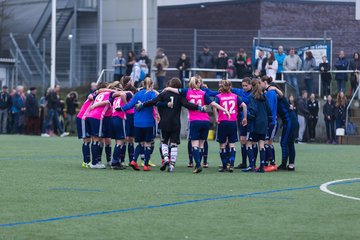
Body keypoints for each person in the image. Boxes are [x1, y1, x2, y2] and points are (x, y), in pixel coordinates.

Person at [164, 76, 230, 173]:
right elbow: (213, 104)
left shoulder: (187, 91)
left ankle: (198, 165)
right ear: (198, 84)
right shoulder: (203, 93)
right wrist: (224, 110)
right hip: (205, 121)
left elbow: (175, 90)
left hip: (194, 121)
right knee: (201, 144)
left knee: (194, 144)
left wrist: (167, 88)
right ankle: (201, 162)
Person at [137, 77, 202, 172]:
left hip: (165, 122)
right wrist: (200, 107)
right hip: (175, 123)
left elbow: (154, 101)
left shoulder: (164, 93)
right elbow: (188, 104)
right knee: (174, 144)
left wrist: (142, 105)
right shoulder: (180, 96)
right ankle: (171, 166)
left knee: (164, 142)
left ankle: (166, 158)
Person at [119, 77, 158, 171]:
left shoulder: (137, 94)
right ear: (152, 85)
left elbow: (129, 105)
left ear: (143, 85)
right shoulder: (152, 94)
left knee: (140, 143)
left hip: (137, 123)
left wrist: (120, 109)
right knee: (148, 143)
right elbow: (155, 102)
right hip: (148, 122)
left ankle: (133, 160)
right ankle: (145, 165)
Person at [213, 79, 247, 172]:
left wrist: (216, 118)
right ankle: (231, 164)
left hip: (222, 122)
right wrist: (245, 118)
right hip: (232, 122)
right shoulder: (235, 96)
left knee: (222, 145)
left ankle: (224, 165)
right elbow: (244, 106)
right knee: (232, 144)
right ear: (230, 87)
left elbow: (214, 106)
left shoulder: (218, 97)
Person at [242, 80, 273, 173]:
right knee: (261, 144)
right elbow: (269, 110)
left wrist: (247, 119)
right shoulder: (264, 97)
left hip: (255, 124)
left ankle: (251, 165)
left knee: (249, 143)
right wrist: (269, 121)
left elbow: (253, 111)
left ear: (252, 86)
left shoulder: (252, 97)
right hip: (264, 123)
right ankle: (262, 167)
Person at [274, 85, 298, 171]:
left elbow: (281, 94)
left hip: (290, 120)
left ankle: (284, 164)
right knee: (289, 142)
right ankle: (291, 165)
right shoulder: (275, 96)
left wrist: (275, 88)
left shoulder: (278, 96)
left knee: (284, 142)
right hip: (289, 120)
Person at [232, 78, 252, 169]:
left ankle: (252, 163)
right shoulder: (241, 92)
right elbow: (231, 89)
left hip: (251, 119)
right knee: (242, 140)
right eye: (243, 85)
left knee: (251, 142)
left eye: (246, 85)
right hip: (243, 120)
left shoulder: (254, 94)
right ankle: (244, 162)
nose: (244, 87)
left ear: (251, 85)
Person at [261, 76, 278, 172]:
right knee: (268, 142)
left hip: (270, 122)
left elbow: (269, 108)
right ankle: (268, 162)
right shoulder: (268, 92)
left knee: (267, 142)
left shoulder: (271, 93)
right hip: (269, 121)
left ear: (265, 82)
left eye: (261, 82)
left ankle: (272, 163)